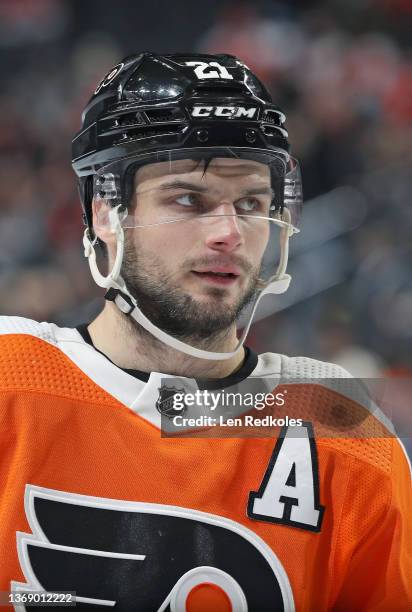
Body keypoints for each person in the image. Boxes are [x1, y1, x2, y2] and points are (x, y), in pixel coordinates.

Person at [0, 52, 410, 611]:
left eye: (251, 203)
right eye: (189, 199)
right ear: (105, 212)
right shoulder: (11, 382)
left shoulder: (342, 428)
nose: (229, 233)